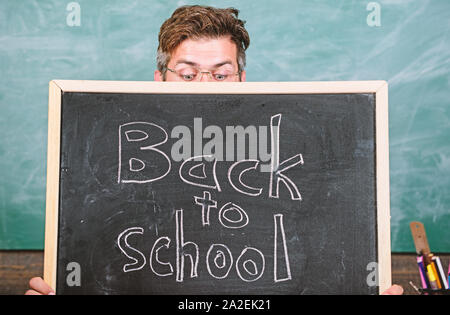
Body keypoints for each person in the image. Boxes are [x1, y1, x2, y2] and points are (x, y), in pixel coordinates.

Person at [26, 5, 403, 295]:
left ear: (241, 78)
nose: (203, 85)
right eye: (187, 74)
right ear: (160, 78)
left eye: (221, 74)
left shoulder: (295, 147)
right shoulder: (113, 149)